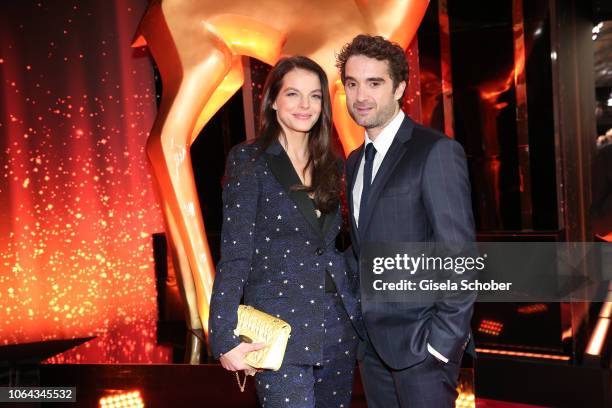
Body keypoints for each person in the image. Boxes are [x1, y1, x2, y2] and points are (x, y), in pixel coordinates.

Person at [208, 56, 363, 408]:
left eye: (315, 96)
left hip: (338, 328)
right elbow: (235, 254)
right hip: (279, 334)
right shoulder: (249, 160)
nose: (305, 105)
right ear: (273, 100)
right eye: (293, 94)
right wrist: (222, 338)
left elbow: (335, 248)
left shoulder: (333, 164)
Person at [336, 34, 476, 407]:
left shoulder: (435, 152)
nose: (360, 95)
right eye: (352, 83)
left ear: (399, 87)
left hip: (422, 351)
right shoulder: (354, 161)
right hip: (372, 348)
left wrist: (440, 345)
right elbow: (363, 250)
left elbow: (460, 256)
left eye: (374, 83)